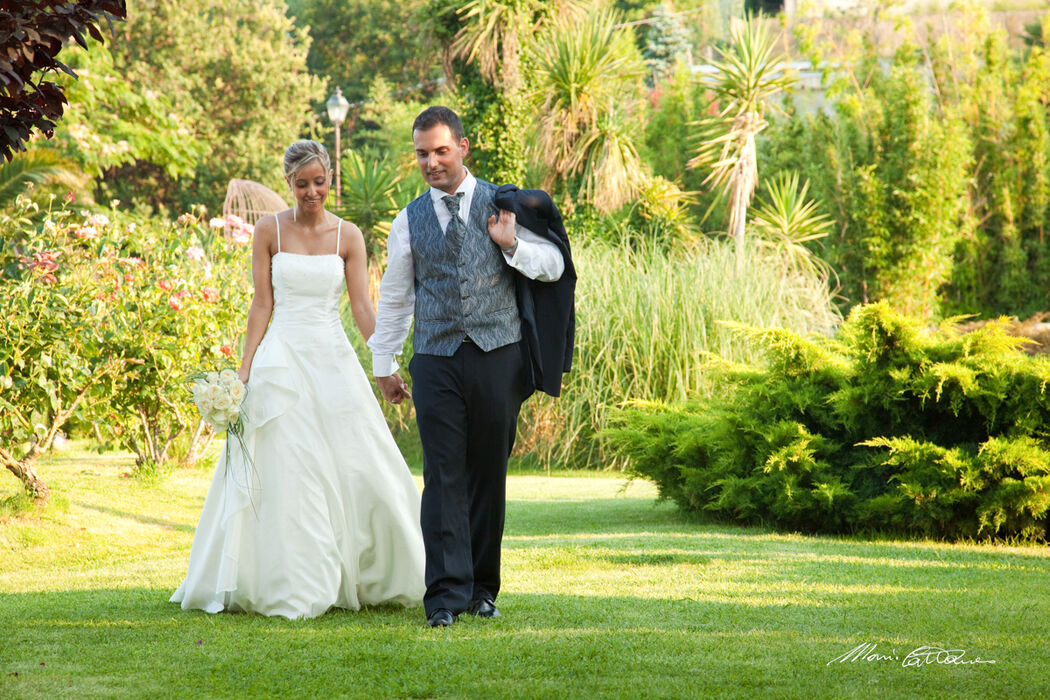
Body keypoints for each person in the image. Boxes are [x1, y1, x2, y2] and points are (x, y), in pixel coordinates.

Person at [171, 140, 425, 619]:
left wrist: (385, 365)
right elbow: (262, 304)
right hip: (281, 360)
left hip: (333, 359)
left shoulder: (348, 236)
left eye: (320, 182)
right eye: (302, 184)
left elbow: (362, 308)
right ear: (288, 183)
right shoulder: (269, 231)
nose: (312, 192)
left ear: (331, 179)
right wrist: (244, 370)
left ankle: (374, 570)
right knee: (285, 468)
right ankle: (288, 577)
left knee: (358, 461)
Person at [368, 106, 566, 627]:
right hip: (435, 358)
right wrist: (384, 361)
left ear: (462, 147)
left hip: (498, 355)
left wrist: (513, 244)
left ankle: (482, 589)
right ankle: (444, 598)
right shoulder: (407, 220)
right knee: (442, 475)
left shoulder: (505, 205)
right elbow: (394, 298)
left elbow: (555, 266)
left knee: (486, 474)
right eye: (422, 153)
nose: (431, 162)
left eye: (440, 150)